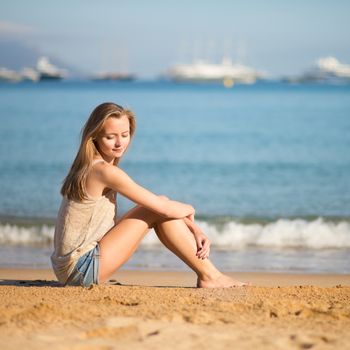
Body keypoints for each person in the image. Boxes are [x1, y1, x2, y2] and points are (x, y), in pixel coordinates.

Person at [51, 102, 249, 288]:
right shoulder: (104, 171)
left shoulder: (90, 166)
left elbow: (159, 206)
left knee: (158, 204)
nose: (120, 143)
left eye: (125, 134)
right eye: (111, 137)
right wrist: (191, 210)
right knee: (157, 207)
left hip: (71, 268)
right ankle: (211, 276)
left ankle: (210, 275)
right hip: (81, 270)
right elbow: (160, 209)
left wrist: (194, 228)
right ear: (94, 137)